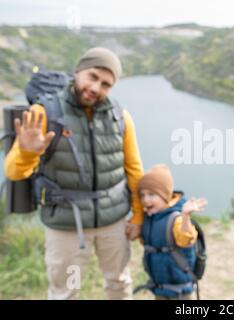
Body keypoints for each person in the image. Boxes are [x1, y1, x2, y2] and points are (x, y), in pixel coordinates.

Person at [4, 47, 145, 299]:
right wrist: (27, 151)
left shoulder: (119, 117)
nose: (96, 88)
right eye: (92, 77)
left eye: (106, 84)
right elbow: (14, 172)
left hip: (113, 221)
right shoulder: (44, 113)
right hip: (67, 225)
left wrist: (138, 216)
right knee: (68, 291)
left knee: (118, 282)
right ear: (78, 72)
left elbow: (134, 169)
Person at [139, 164, 207, 300]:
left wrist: (186, 216)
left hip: (181, 293)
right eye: (142, 195)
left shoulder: (176, 219)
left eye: (151, 194)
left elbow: (186, 239)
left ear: (165, 196)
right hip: (160, 288)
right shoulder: (150, 218)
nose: (146, 199)